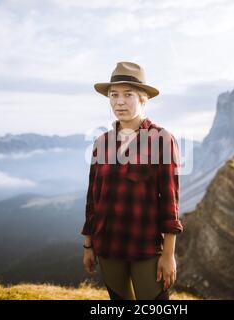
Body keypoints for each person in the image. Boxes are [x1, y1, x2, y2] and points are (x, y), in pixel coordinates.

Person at [81, 61, 183, 300]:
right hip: (107, 244)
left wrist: (168, 255)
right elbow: (92, 199)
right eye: (114, 95)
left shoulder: (162, 139)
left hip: (145, 246)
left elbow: (170, 203)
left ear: (143, 99)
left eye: (128, 95)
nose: (119, 102)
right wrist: (88, 244)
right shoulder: (101, 143)